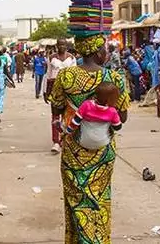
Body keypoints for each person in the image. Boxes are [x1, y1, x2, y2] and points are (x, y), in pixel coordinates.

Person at [49, 34, 130, 243]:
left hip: (73, 150)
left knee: (76, 201)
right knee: (100, 200)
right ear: (97, 52)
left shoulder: (66, 76)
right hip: (103, 152)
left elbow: (56, 106)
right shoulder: (114, 78)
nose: (106, 53)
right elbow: (122, 117)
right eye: (103, 50)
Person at [65, 82, 123, 149]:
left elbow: (75, 122)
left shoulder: (86, 105)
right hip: (103, 142)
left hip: (83, 141)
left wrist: (68, 131)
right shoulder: (112, 111)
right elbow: (118, 128)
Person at [45, 38, 76, 153]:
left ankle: (64, 139)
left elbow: (75, 73)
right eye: (59, 45)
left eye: (63, 44)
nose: (61, 47)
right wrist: (46, 91)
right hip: (55, 88)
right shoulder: (51, 58)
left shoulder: (71, 58)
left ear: (66, 46)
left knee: (67, 115)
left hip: (68, 88)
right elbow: (48, 74)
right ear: (57, 46)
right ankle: (56, 142)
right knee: (55, 115)